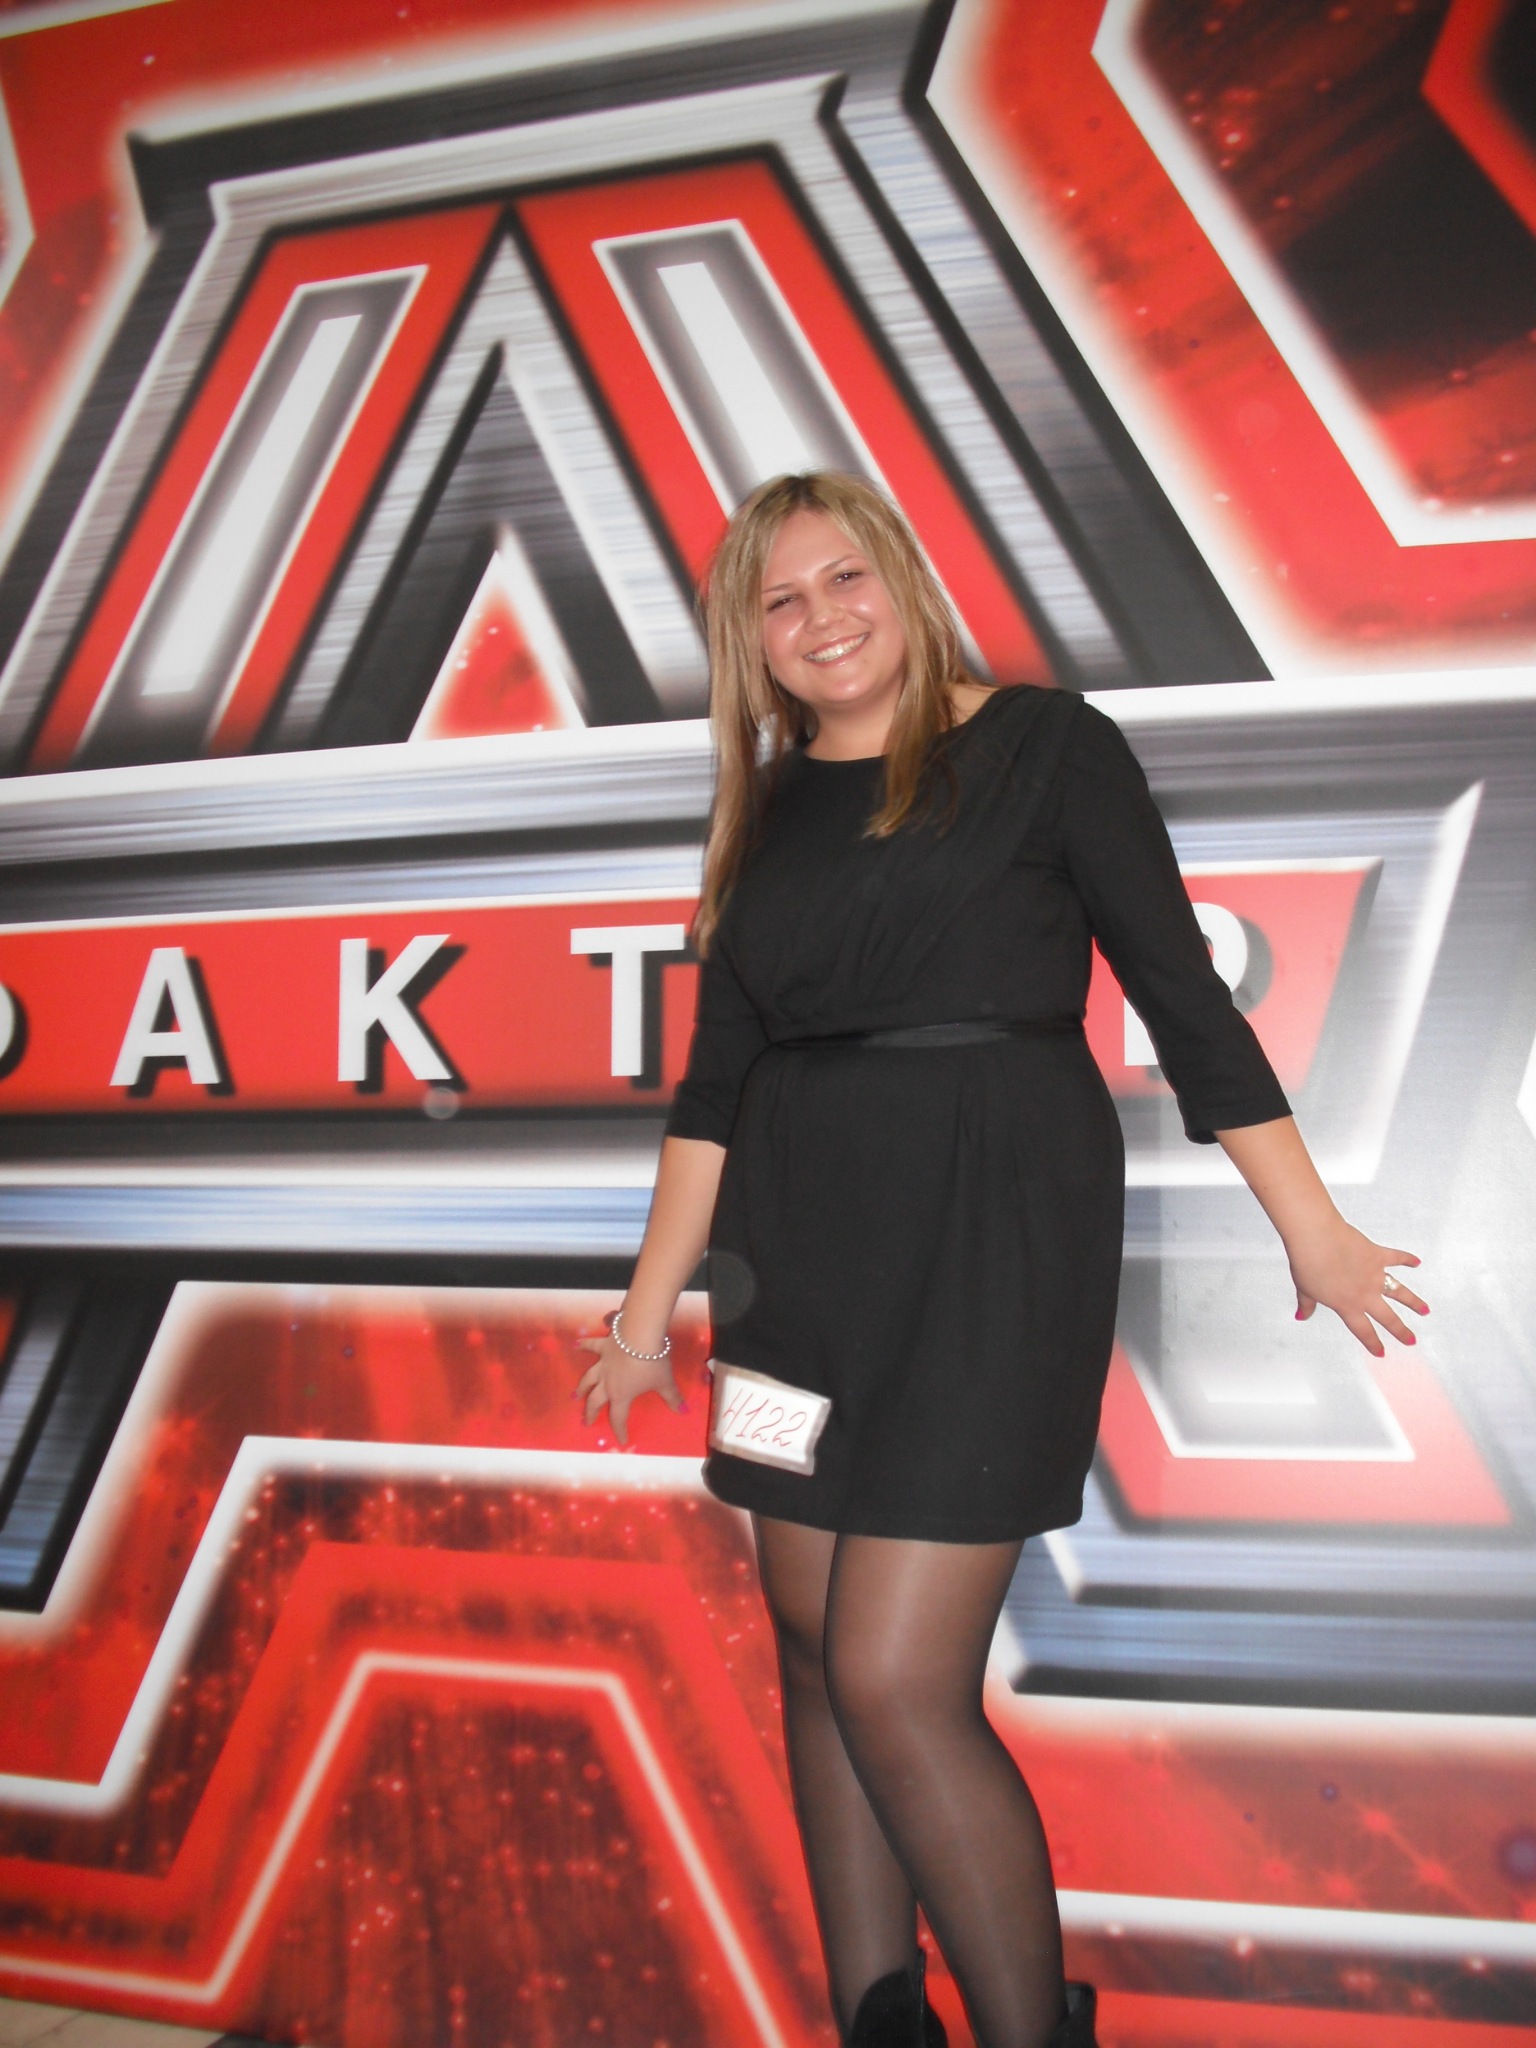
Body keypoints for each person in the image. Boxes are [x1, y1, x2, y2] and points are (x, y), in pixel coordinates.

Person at [575, 473, 1426, 2048]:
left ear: (899, 576)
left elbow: (1181, 994)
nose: (822, 617)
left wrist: (1308, 1222)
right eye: (780, 600)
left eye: (845, 577)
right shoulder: (765, 806)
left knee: (894, 1678)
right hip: (789, 1274)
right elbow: (714, 1093)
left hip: (990, 1246)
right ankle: (879, 2021)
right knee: (813, 1651)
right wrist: (642, 1320)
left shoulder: (1047, 746)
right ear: (752, 642)